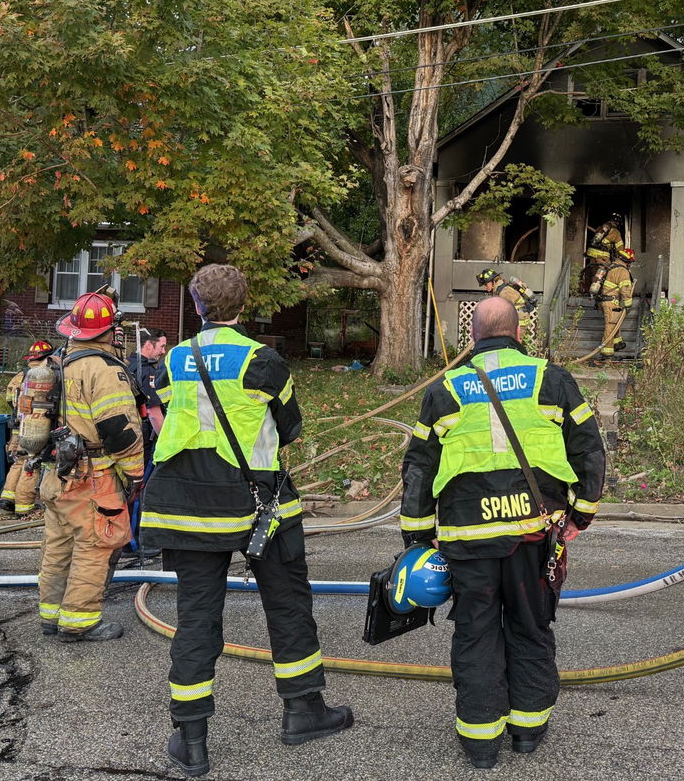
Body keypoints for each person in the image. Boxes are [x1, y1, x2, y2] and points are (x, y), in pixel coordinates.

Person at [141, 263, 352, 778]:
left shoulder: (172, 361)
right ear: (245, 304)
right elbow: (291, 426)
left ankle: (191, 738)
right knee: (287, 604)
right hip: (259, 501)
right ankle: (303, 711)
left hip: (187, 505)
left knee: (196, 617)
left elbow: (172, 419)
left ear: (196, 305)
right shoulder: (263, 361)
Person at [399, 296, 605, 769]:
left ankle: (479, 742)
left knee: (476, 632)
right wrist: (580, 514)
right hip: (534, 535)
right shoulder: (550, 379)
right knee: (530, 626)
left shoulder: (445, 390)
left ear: (472, 337)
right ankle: (528, 731)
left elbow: (418, 468)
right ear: (518, 333)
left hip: (467, 540)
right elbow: (589, 450)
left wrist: (416, 538)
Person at [37, 290, 144, 642]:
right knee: (95, 546)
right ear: (110, 330)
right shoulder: (103, 370)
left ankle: (51, 616)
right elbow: (120, 431)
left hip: (58, 474)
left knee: (58, 547)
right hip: (93, 478)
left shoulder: (60, 362)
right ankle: (80, 621)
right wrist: (135, 473)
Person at [125, 327, 167, 557]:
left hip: (128, 438)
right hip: (146, 440)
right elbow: (154, 411)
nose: (163, 351)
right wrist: (166, 442)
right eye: (161, 346)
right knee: (140, 490)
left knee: (129, 487)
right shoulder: (146, 371)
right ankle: (134, 543)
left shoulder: (126, 367)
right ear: (148, 345)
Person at [0, 340, 53, 516]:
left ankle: (7, 499)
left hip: (18, 427)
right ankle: (24, 506)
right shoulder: (47, 374)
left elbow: (9, 400)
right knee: (32, 464)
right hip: (36, 427)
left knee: (18, 462)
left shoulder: (19, 376)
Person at [475, 269, 538, 346]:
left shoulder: (505, 291)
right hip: (515, 320)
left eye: (486, 284)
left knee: (515, 344)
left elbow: (504, 310)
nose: (485, 287)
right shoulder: (499, 290)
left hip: (520, 320)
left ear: (493, 282)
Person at [597, 248, 636, 358]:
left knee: (615, 323)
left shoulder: (612, 266)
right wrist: (628, 304)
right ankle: (607, 353)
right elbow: (625, 290)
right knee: (610, 326)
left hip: (607, 301)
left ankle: (617, 343)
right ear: (628, 261)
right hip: (611, 302)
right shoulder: (622, 271)